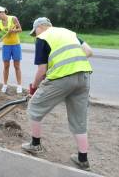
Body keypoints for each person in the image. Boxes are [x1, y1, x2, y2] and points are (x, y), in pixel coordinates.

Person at [21, 17, 93, 171]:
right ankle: (83, 159)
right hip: (84, 77)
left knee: (34, 107)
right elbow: (88, 51)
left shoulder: (43, 37)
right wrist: (69, 63)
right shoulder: (68, 32)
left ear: (40, 27)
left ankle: (35, 145)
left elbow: (41, 70)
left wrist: (33, 88)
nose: (35, 35)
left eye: (35, 32)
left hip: (62, 78)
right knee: (78, 119)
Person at [0, 6, 23, 94]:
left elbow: (20, 29)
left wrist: (13, 31)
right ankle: (5, 85)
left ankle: (19, 86)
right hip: (6, 46)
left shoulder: (13, 18)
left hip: (16, 45)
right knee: (6, 66)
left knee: (17, 66)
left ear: (1, 12)